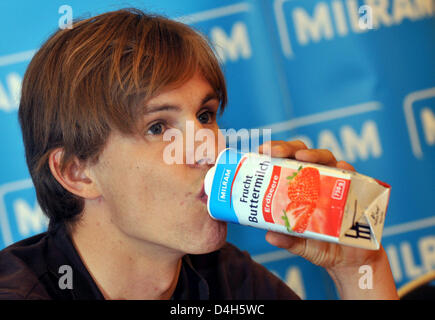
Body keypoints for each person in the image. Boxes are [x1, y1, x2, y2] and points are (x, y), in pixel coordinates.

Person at [0, 8, 398, 300]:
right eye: (159, 127)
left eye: (205, 115)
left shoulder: (229, 278)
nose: (211, 147)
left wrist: (360, 269)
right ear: (77, 172)